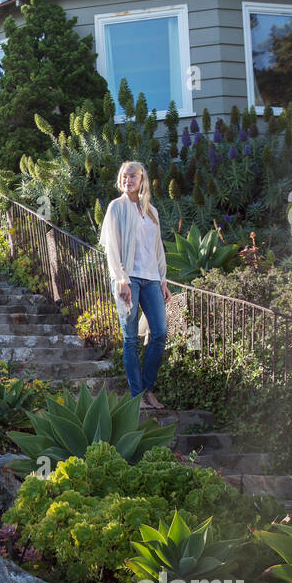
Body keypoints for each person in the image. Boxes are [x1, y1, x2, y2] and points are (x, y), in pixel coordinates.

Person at [98, 160, 171, 410]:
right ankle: (137, 396)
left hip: (151, 279)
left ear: (142, 180)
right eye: (124, 176)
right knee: (130, 339)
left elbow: (157, 248)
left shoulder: (151, 211)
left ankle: (148, 388)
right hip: (127, 279)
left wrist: (163, 280)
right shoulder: (116, 207)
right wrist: (120, 278)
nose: (127, 180)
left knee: (159, 333)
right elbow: (112, 246)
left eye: (132, 176)